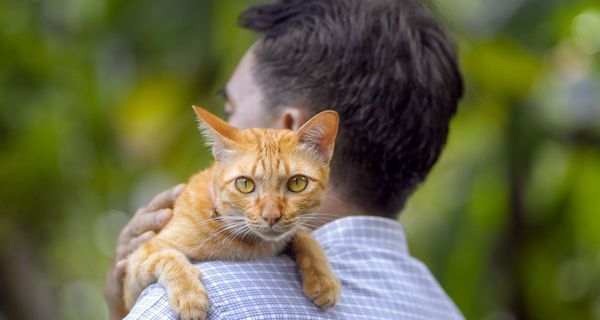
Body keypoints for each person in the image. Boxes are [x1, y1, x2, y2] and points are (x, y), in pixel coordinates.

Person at [104, 0, 464, 318]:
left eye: (230, 109)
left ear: (295, 132)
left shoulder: (189, 302)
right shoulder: (445, 310)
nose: (228, 128)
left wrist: (124, 307)